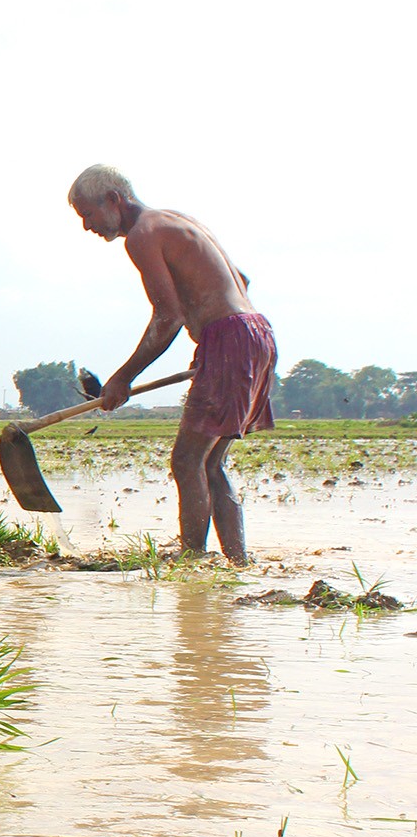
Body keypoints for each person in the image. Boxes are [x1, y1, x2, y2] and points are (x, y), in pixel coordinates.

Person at [69, 164, 275, 564]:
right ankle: (238, 564)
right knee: (211, 463)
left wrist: (122, 378)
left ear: (114, 200)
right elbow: (241, 281)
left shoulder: (144, 235)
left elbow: (168, 316)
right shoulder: (177, 221)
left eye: (88, 214)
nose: (87, 226)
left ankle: (191, 564)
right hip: (254, 333)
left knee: (186, 459)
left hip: (233, 338)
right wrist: (211, 346)